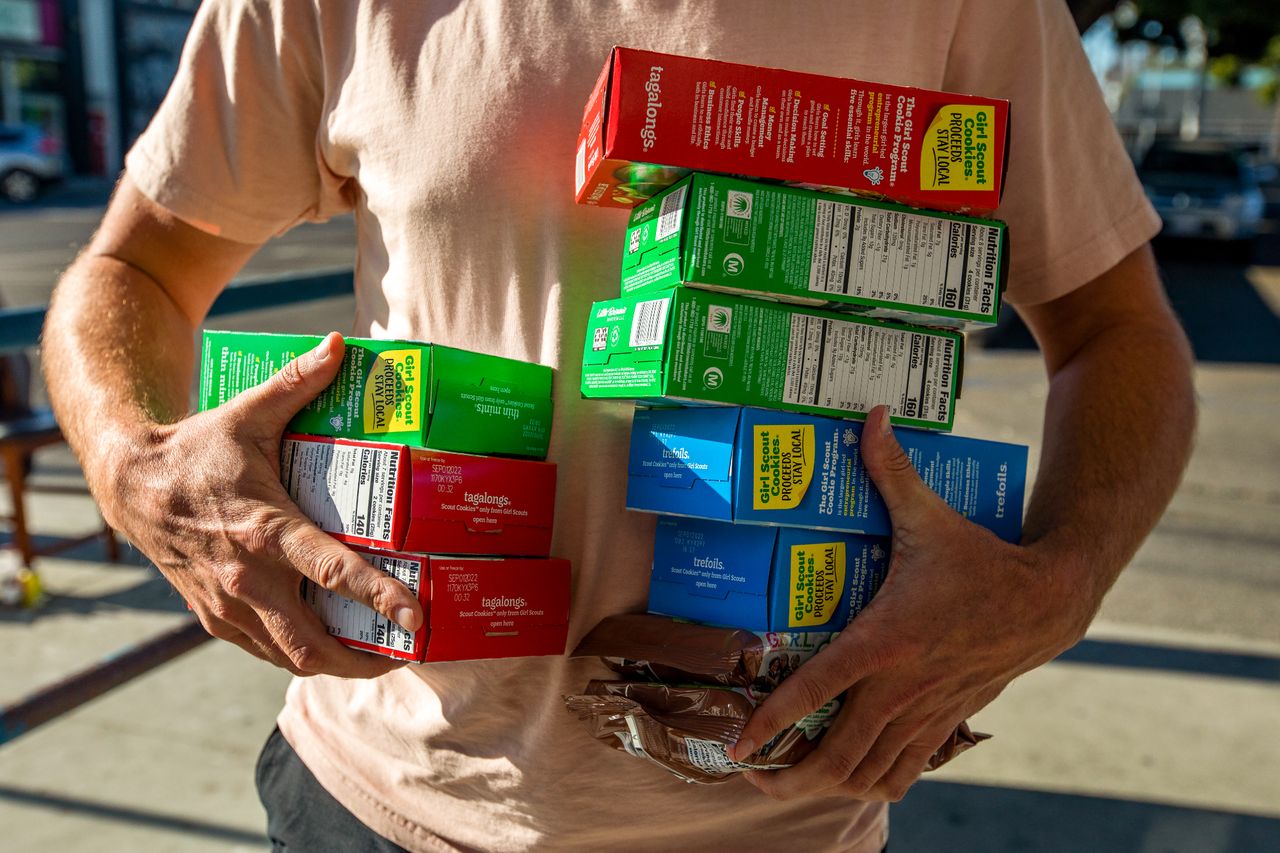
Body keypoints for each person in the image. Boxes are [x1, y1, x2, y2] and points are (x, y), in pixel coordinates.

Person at [40, 1, 1195, 850]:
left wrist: (1056, 582)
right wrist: (133, 464)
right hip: (377, 794)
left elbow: (1117, 333)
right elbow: (134, 266)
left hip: (786, 821)